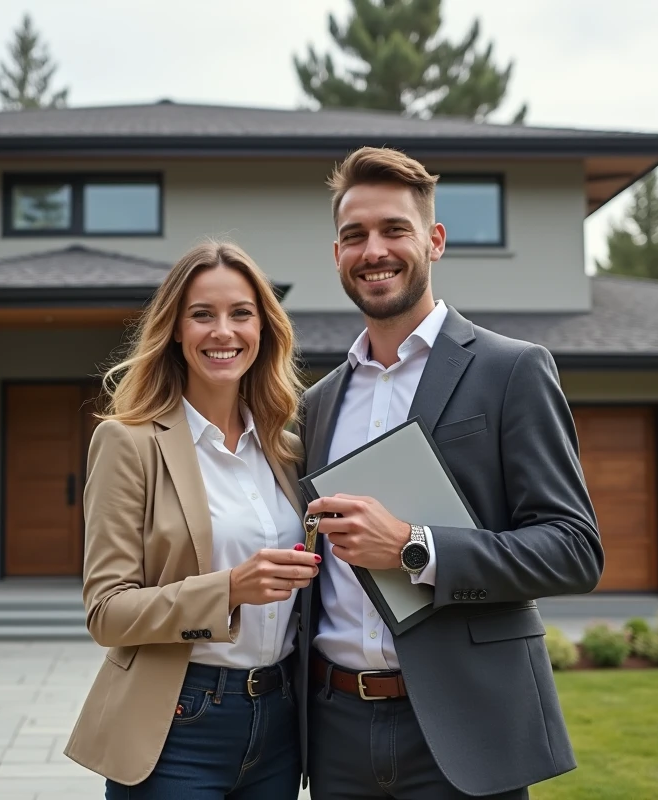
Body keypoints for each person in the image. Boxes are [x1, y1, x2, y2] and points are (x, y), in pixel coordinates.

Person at [295, 146, 604, 799]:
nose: (373, 249)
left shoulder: (510, 370)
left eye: (394, 230)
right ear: (337, 255)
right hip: (333, 731)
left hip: (462, 732)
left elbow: (574, 550)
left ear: (434, 240)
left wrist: (415, 547)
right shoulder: (318, 403)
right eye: (355, 235)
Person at [64, 240, 321, 799]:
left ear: (264, 330)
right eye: (202, 314)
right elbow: (105, 611)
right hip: (179, 723)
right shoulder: (127, 442)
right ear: (176, 330)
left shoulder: (288, 451)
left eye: (241, 314)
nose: (223, 332)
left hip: (279, 724)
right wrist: (229, 589)